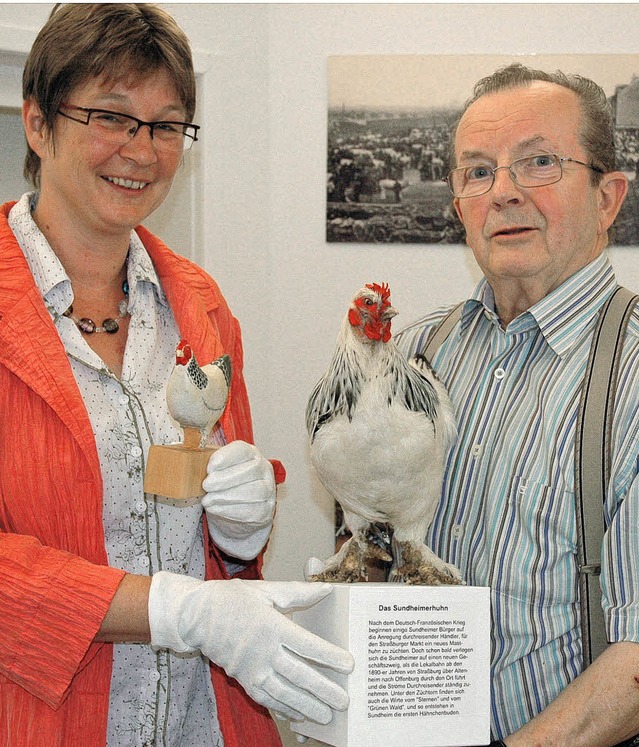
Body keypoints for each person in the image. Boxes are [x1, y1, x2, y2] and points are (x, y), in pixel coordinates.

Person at [0, 4, 353, 746]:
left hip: (207, 725)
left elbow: (220, 550)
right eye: (112, 116)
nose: (141, 150)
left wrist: (238, 532)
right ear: (38, 124)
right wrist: (173, 609)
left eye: (166, 125)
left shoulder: (200, 304)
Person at [394, 63, 639, 746]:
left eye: (538, 163)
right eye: (477, 171)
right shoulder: (415, 353)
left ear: (608, 198)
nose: (502, 193)